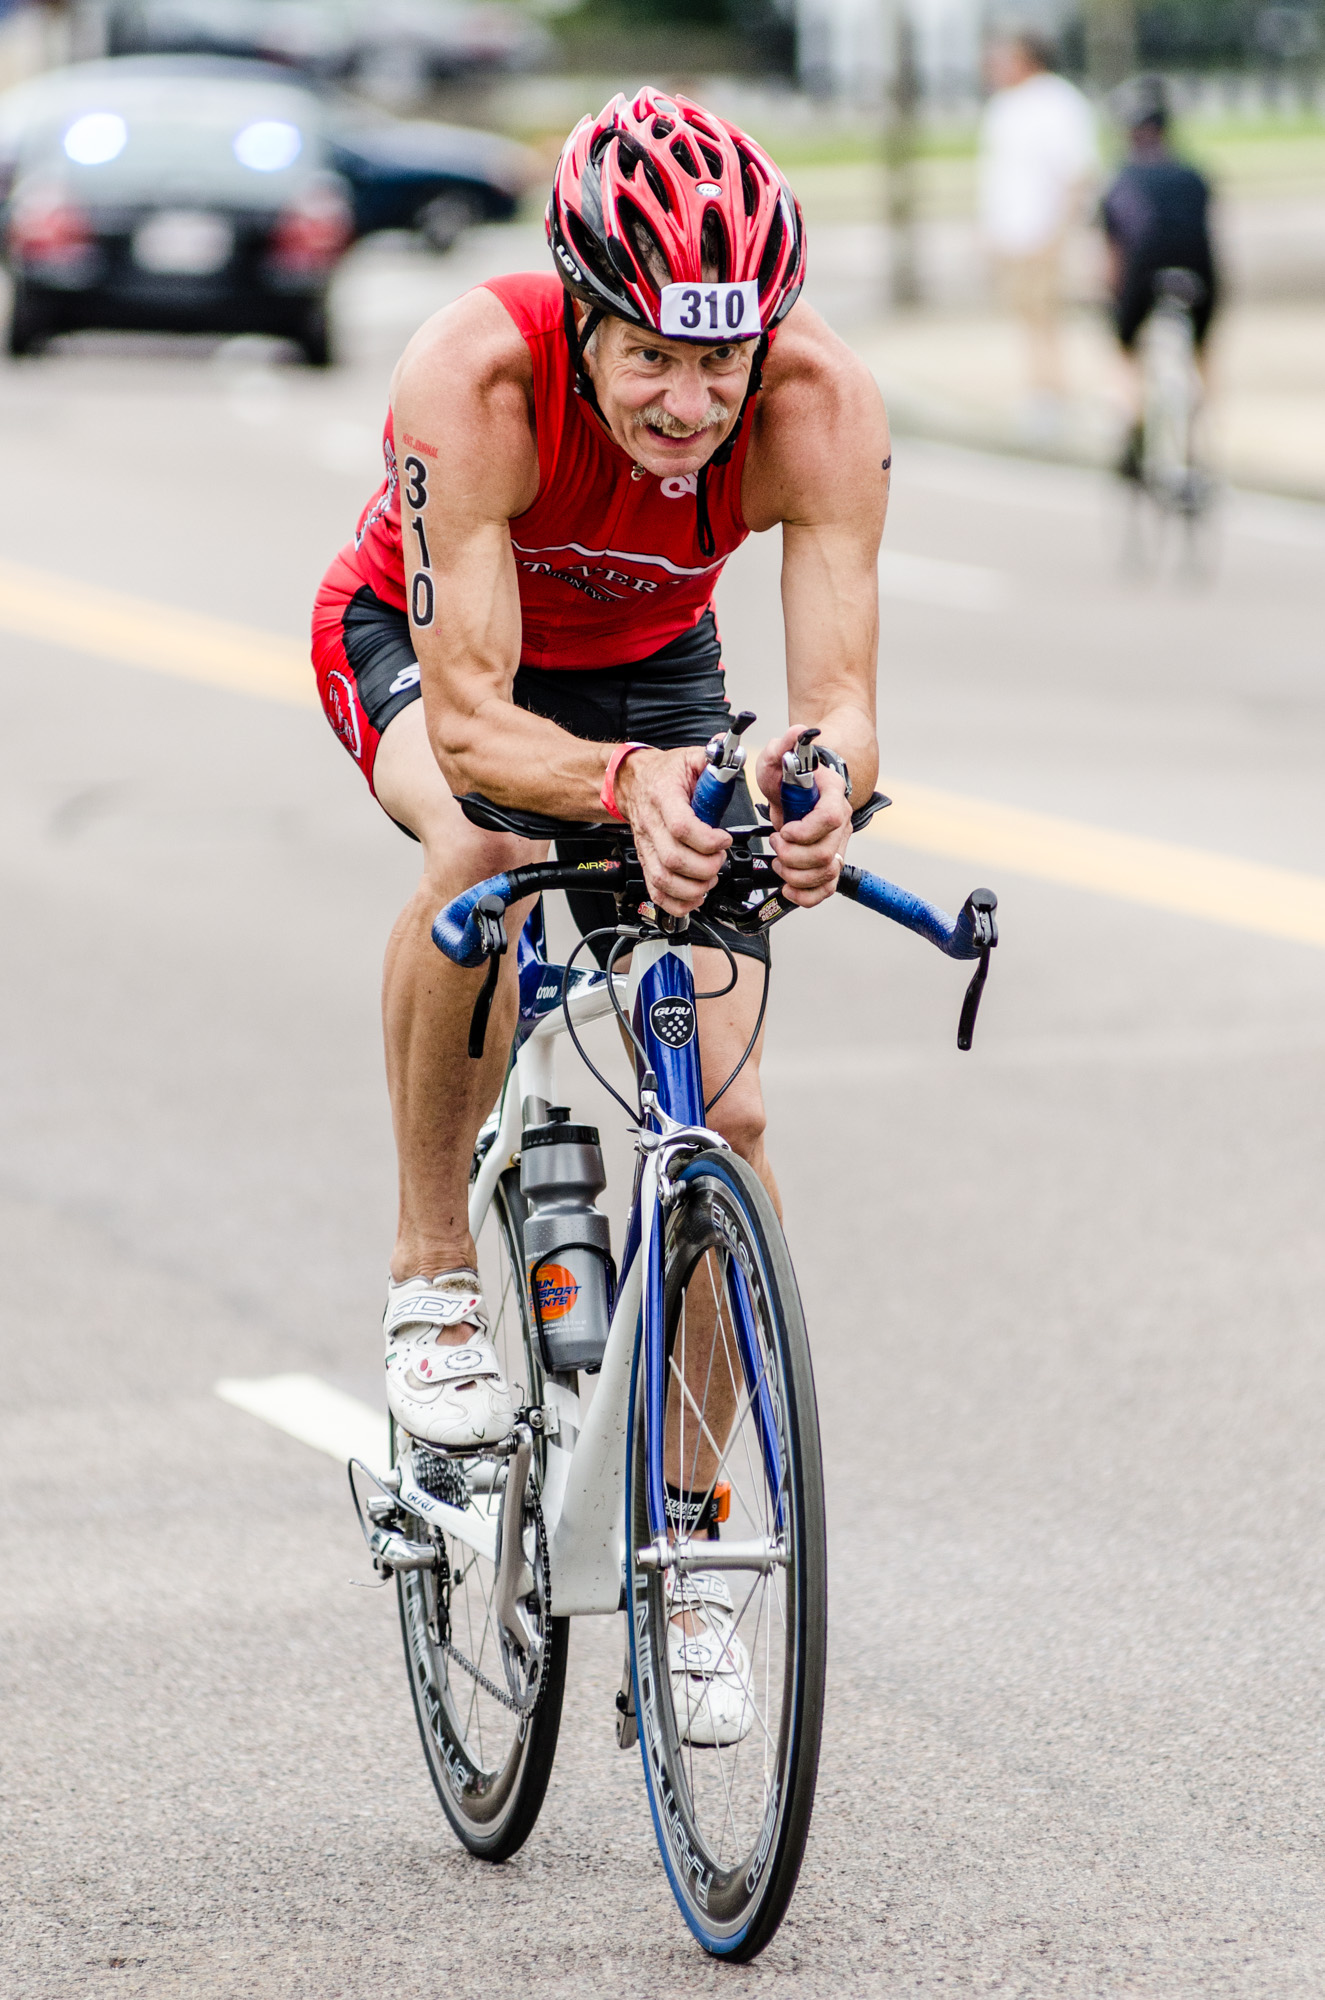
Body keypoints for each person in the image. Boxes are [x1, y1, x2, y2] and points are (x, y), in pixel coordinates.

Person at [310, 87, 887, 1742]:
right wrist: (624, 788)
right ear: (580, 317)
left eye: (724, 362)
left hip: (654, 671)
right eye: (652, 359)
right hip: (440, 656)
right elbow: (483, 728)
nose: (693, 404)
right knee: (484, 858)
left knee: (730, 1106)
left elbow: (843, 702)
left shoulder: (820, 405)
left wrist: (817, 786)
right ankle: (433, 1276)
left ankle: (697, 1552)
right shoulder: (473, 378)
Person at [1100, 74, 1218, 479]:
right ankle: (1202, 436)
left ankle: (1131, 420)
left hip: (1144, 266)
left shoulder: (1122, 178)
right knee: (1204, 349)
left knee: (1124, 348)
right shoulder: (1195, 173)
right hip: (1199, 266)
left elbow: (1113, 253)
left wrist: (1112, 300)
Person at [978, 28, 1098, 417]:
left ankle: (1054, 395)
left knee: (1047, 315)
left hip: (1044, 232)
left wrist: (1061, 230)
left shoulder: (1058, 102)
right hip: (1011, 233)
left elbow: (1076, 173)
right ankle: (1041, 389)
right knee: (1026, 314)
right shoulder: (1004, 106)